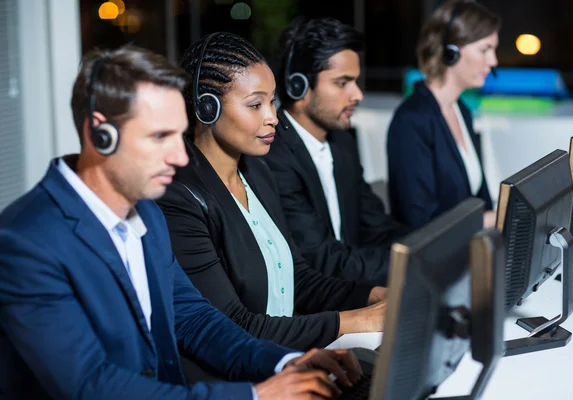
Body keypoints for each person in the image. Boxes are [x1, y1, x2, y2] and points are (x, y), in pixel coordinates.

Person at [0, 44, 363, 400]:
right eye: (160, 137)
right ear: (101, 133)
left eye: (179, 133)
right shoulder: (26, 241)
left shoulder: (147, 216)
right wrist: (255, 396)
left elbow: (195, 320)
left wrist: (286, 362)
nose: (178, 155)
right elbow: (90, 385)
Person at [156, 33, 385, 383]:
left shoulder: (257, 172)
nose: (273, 117)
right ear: (207, 108)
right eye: (255, 105)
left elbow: (298, 278)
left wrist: (371, 295)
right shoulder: (180, 198)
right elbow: (235, 326)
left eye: (272, 102)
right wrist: (356, 320)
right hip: (236, 381)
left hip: (286, 364)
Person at [262, 17, 410, 286]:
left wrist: (431, 249)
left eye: (356, 81)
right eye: (343, 83)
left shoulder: (342, 144)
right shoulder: (274, 156)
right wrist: (412, 264)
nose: (358, 94)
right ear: (299, 86)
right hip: (315, 310)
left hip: (352, 291)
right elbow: (323, 260)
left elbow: (377, 227)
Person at [387, 0, 501, 230]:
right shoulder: (411, 120)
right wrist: (496, 218)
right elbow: (420, 221)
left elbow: (480, 201)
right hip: (434, 261)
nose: (493, 61)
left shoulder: (462, 111)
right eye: (485, 49)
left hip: (469, 253)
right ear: (452, 52)